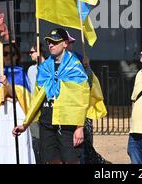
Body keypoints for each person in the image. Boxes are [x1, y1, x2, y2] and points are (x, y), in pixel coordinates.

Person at [13, 28, 90, 164]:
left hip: (67, 124)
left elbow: (82, 99)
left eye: (55, 42)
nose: (51, 45)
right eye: (49, 42)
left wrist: (79, 127)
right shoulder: (44, 68)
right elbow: (37, 98)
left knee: (72, 161)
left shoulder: (75, 67)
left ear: (65, 43)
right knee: (51, 161)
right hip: (47, 122)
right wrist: (25, 124)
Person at [0, 43, 34, 164]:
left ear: (16, 56)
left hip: (16, 114)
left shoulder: (21, 73)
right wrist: (3, 96)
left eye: (11, 54)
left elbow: (23, 97)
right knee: (0, 146)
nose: (8, 57)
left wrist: (7, 85)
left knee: (18, 148)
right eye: (5, 54)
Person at [64, 31, 108, 164]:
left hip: (82, 111)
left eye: (70, 42)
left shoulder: (79, 59)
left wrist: (87, 67)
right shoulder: (54, 61)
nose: (69, 45)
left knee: (83, 147)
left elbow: (88, 84)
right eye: (67, 42)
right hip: (64, 112)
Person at [26, 44, 45, 164]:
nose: (30, 54)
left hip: (46, 108)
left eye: (32, 52)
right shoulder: (31, 69)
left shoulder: (49, 65)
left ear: (39, 52)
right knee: (35, 139)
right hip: (34, 109)